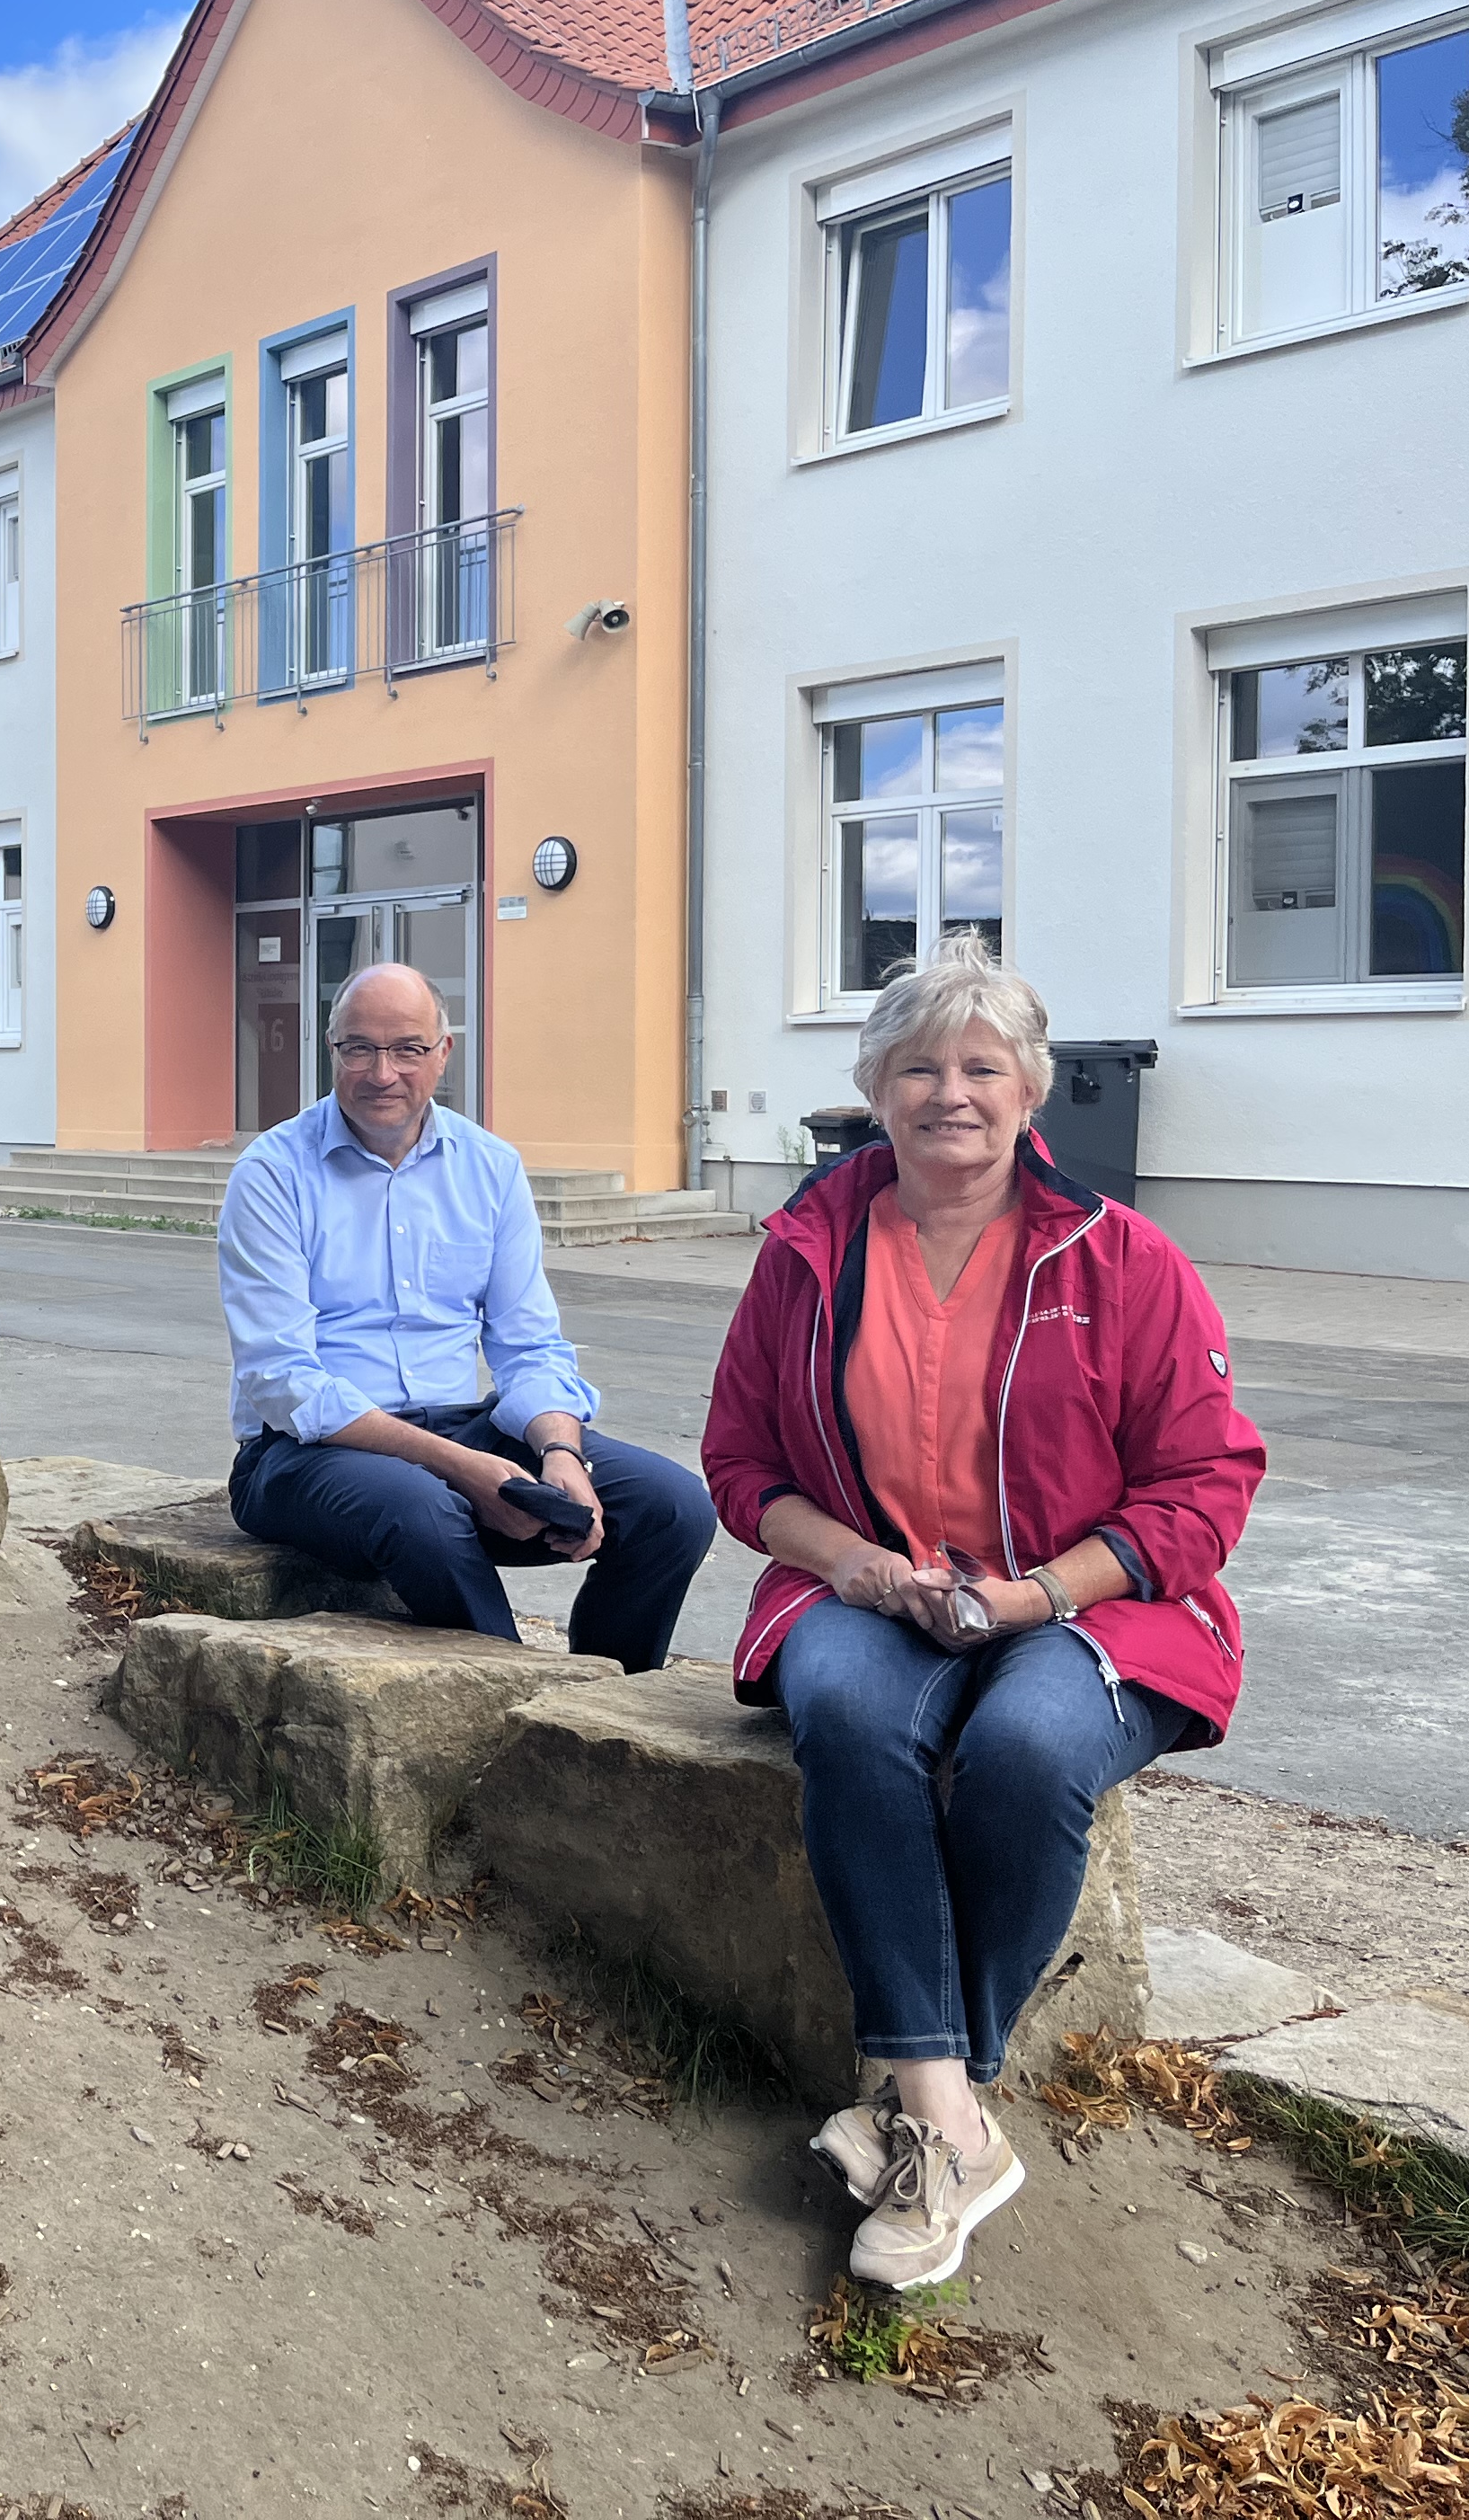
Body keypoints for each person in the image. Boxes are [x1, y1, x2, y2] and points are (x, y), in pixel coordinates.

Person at [702, 934, 1263, 2289]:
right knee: (843, 1709)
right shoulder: (807, 1253)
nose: (948, 1092)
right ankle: (951, 2119)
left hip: (1085, 1605)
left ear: (1031, 1091)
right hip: (868, 1587)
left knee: (1025, 1751)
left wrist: (1037, 1594)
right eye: (917, 1067)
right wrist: (850, 1568)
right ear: (875, 1089)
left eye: (979, 1065)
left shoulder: (1123, 1262)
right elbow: (740, 1465)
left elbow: (1208, 1485)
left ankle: (918, 2099)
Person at [218, 961, 715, 1673]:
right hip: (301, 1454)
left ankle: (608, 1700)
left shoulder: (489, 1168)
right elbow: (283, 1378)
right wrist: (467, 1472)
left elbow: (529, 1344)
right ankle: (519, 1709)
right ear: (331, 1051)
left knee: (674, 1508)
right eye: (358, 1047)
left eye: (407, 1049)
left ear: (443, 1052)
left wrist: (559, 1452)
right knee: (425, 1509)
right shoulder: (272, 1173)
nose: (381, 1072)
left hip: (458, 1424)